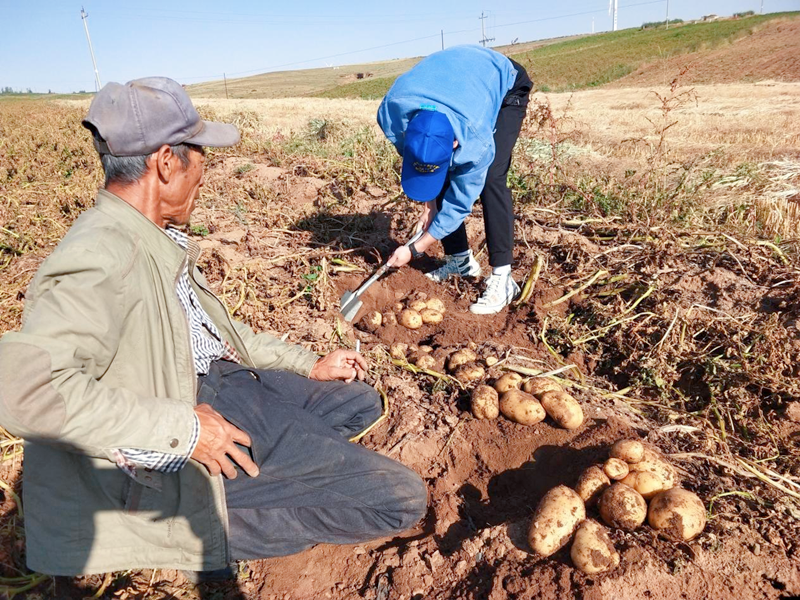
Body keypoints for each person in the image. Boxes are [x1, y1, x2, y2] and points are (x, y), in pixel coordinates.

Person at [0, 77, 426, 577]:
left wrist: (308, 363)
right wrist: (186, 430)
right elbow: (26, 393)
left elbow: (220, 332)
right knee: (399, 500)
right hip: (187, 411)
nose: (204, 170)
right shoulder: (99, 255)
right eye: (198, 153)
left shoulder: (158, 236)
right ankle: (205, 523)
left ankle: (285, 455)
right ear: (165, 161)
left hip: (222, 378)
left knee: (358, 402)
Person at [378, 45, 533, 315]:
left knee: (491, 178)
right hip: (458, 83)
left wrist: (415, 248)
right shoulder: (392, 113)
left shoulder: (475, 139)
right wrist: (429, 205)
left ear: (456, 142)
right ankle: (460, 260)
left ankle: (503, 278)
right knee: (438, 165)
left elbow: (460, 203)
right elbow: (422, 158)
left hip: (505, 82)